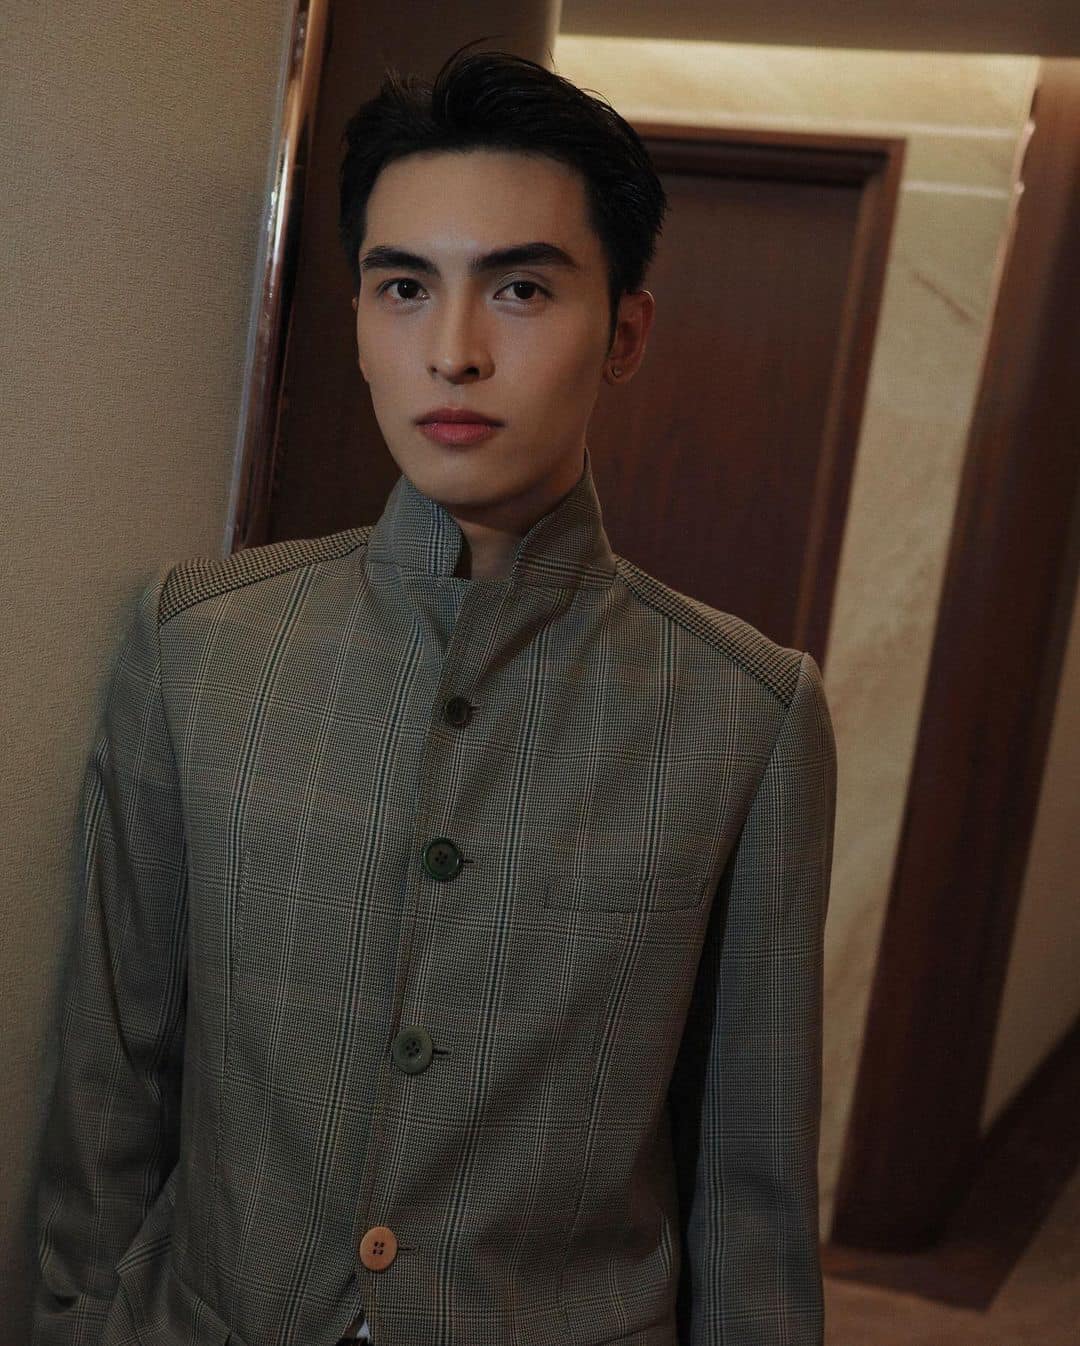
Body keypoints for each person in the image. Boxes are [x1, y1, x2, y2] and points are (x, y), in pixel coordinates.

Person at [32, 43, 837, 1346]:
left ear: (625, 333)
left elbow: (753, 1198)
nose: (452, 352)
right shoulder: (199, 645)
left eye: (521, 288)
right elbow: (108, 1087)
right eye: (404, 287)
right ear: (358, 319)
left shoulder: (744, 712)